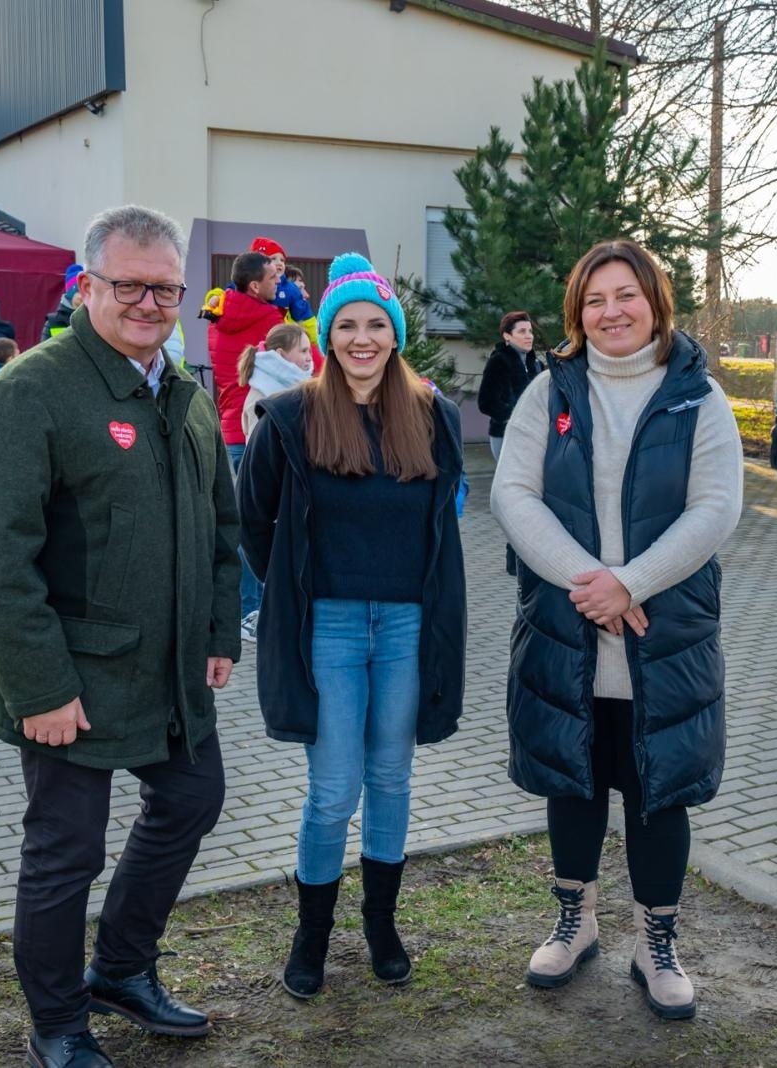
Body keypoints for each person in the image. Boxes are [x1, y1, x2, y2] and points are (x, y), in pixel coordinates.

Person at [0, 205, 240, 1068]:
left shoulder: (185, 395)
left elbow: (221, 527)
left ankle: (120, 969)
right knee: (64, 855)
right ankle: (58, 1024)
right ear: (88, 286)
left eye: (165, 288)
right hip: (70, 681)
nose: (149, 303)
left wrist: (220, 631)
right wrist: (39, 687)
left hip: (172, 669)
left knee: (191, 800)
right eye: (129, 285)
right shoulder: (32, 390)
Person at [490, 239, 743, 1021]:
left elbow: (717, 508)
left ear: (655, 301)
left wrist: (629, 583)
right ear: (577, 313)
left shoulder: (699, 397)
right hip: (569, 637)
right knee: (574, 779)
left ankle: (655, 942)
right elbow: (513, 495)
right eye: (595, 300)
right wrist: (591, 585)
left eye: (626, 295)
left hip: (665, 641)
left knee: (658, 792)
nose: (612, 312)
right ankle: (577, 922)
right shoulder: (548, 392)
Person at [236, 251, 467, 1001]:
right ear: (326, 336)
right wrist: (291, 594)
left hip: (406, 624)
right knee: (333, 791)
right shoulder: (293, 417)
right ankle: (311, 937)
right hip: (328, 627)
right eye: (346, 326)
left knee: (392, 779)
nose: (361, 338)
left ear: (393, 335)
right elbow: (254, 518)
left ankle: (381, 925)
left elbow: (445, 519)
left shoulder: (432, 415)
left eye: (376, 324)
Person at [209, 250, 284, 639]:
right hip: (260, 430)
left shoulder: (217, 316)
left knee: (241, 524)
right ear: (255, 285)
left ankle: (244, 610)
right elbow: (299, 362)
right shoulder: (270, 320)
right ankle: (258, 611)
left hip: (230, 430)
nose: (279, 285)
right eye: (273, 278)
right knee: (265, 526)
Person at [477, 310, 542, 461]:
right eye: (522, 331)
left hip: (534, 435)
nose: (529, 336)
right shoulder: (498, 361)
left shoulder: (536, 364)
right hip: (505, 434)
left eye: (530, 331)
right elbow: (486, 403)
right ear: (507, 336)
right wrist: (516, 417)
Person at [239, 322, 313, 441]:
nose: (309, 358)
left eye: (310, 351)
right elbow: (258, 453)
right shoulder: (261, 395)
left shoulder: (302, 386)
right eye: (303, 351)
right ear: (280, 354)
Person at [41, 264, 86, 342]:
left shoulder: (93, 319)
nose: (84, 296)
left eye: (86, 292)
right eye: (79, 291)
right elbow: (43, 351)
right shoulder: (54, 322)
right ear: (70, 294)